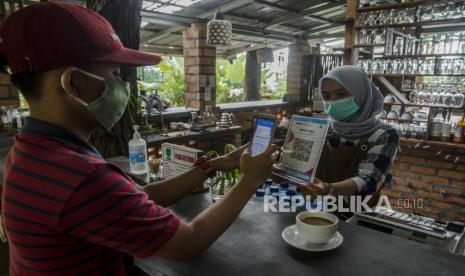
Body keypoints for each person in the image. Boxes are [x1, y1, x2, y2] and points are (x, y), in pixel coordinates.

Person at [0, 2, 276, 275]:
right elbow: (189, 242)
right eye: (115, 74)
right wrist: (250, 180)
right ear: (73, 83)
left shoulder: (30, 150)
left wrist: (213, 165)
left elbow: (135, 198)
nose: (124, 86)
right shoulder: (80, 177)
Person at [298, 66, 399, 207]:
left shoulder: (384, 134)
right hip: (319, 210)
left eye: (341, 94)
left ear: (361, 93)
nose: (333, 101)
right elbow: (305, 167)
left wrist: (328, 189)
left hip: (360, 216)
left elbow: (369, 179)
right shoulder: (323, 128)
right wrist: (288, 171)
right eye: (327, 96)